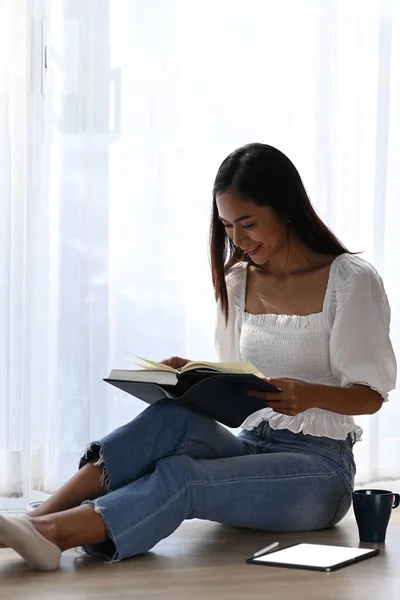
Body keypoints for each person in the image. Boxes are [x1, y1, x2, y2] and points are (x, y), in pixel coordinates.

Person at [0, 143, 396, 571]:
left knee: (185, 476)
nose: (238, 240)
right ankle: (33, 520)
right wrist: (193, 375)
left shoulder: (350, 281)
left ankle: (49, 537)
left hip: (320, 471)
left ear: (285, 209)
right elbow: (242, 379)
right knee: (169, 419)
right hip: (252, 446)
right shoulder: (239, 280)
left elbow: (370, 395)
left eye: (248, 224)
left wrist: (309, 394)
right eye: (227, 227)